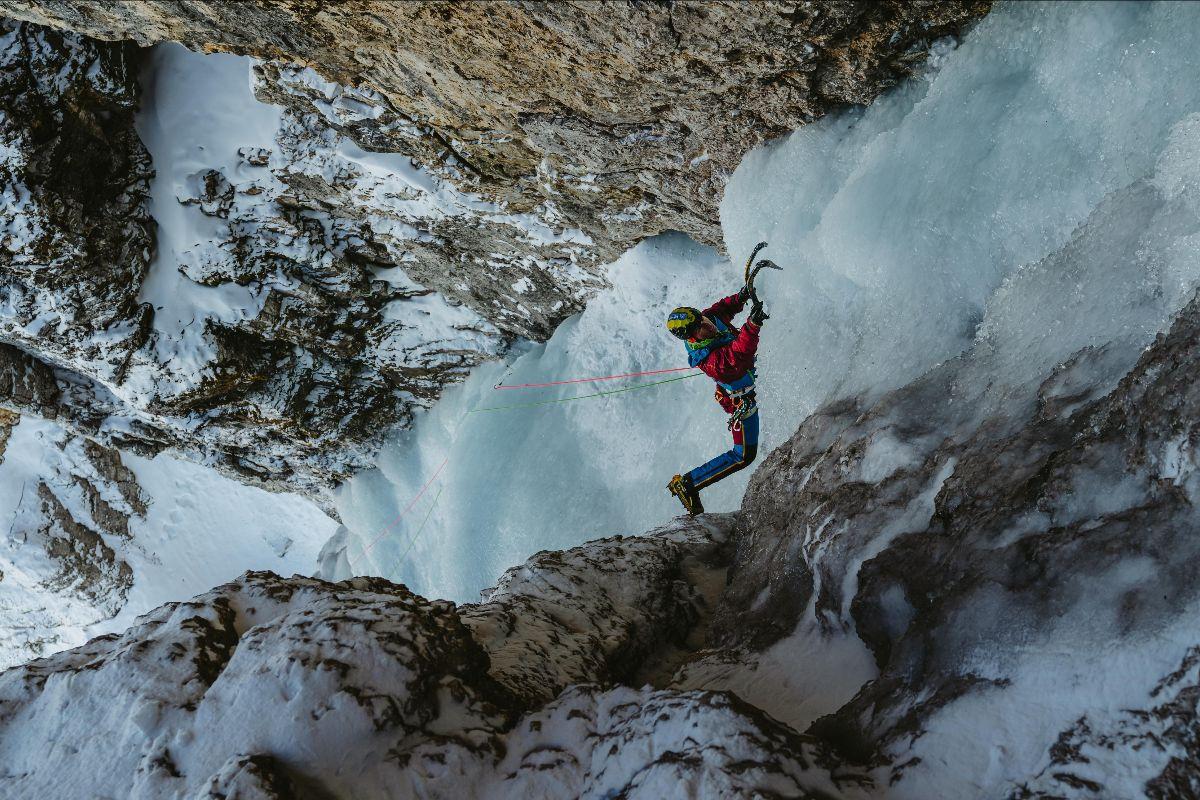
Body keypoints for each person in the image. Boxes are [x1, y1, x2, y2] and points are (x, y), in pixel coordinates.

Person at [665, 285, 767, 514]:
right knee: (743, 456)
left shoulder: (703, 319)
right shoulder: (712, 363)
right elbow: (737, 356)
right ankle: (688, 483)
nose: (706, 323)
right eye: (700, 326)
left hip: (744, 386)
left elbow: (721, 310)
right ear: (692, 336)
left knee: (743, 454)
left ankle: (689, 483)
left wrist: (740, 297)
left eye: (701, 318)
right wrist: (752, 326)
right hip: (741, 401)